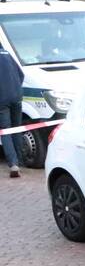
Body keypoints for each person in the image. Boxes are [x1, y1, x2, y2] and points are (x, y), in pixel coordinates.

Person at [0, 46, 24, 179]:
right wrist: (15, 90)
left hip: (2, 100)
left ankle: (14, 164)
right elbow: (21, 75)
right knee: (17, 129)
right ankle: (20, 160)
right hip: (16, 97)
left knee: (6, 131)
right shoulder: (7, 54)